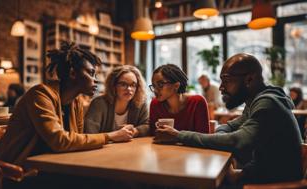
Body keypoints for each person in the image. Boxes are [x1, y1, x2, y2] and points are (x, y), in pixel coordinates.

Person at [154, 53, 303, 185]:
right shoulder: (255, 102)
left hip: (275, 183)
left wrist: (178, 135)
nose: (221, 88)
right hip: (260, 173)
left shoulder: (268, 104)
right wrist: (221, 135)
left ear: (249, 79)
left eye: (226, 80)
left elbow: (237, 141)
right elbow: (231, 126)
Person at [0, 42, 134, 165]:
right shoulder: (40, 94)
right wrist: (110, 136)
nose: (95, 80)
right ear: (73, 73)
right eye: (91, 73)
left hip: (53, 164)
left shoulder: (76, 102)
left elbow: (77, 141)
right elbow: (59, 141)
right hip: (20, 169)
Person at [84, 65, 149, 137]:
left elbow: (147, 126)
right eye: (123, 84)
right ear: (113, 85)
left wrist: (134, 131)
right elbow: (89, 134)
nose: (129, 89)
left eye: (133, 85)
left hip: (131, 147)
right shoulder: (99, 103)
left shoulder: (140, 102)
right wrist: (115, 136)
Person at [149, 64, 209, 133]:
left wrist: (177, 135)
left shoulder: (197, 102)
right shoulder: (155, 104)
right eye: (154, 86)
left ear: (176, 85)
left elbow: (204, 138)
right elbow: (153, 135)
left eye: (160, 85)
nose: (155, 90)